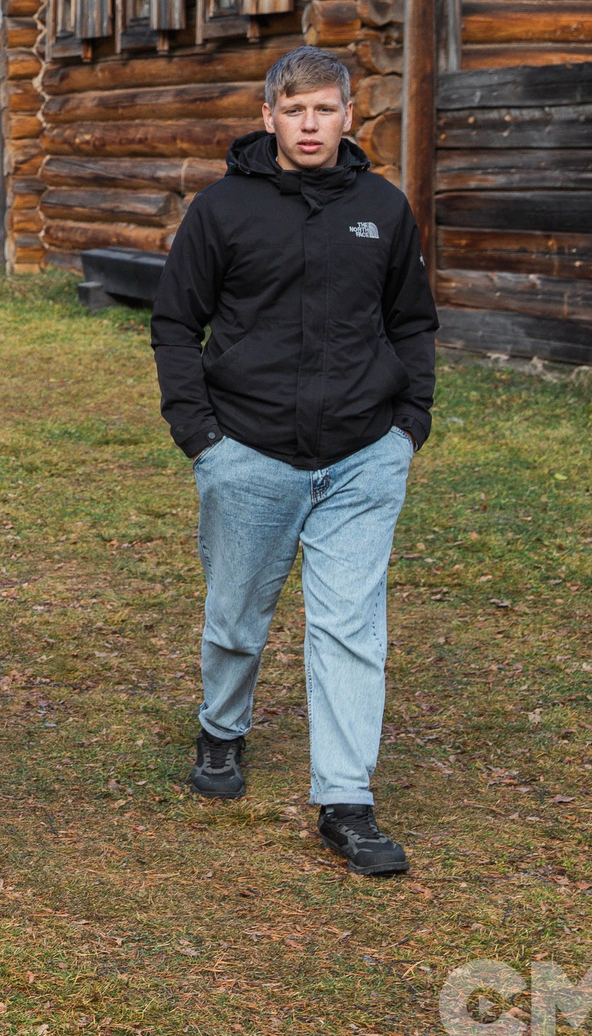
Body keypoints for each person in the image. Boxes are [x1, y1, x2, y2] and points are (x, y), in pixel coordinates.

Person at [152, 47, 436, 878]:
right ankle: (222, 728)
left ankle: (345, 800)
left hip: (362, 454)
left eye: (324, 109)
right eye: (294, 110)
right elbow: (176, 321)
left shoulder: (383, 209)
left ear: (351, 115)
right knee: (237, 609)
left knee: (350, 624)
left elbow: (412, 320)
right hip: (248, 449)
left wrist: (407, 425)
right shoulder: (222, 211)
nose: (309, 125)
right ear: (268, 115)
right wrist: (201, 437)